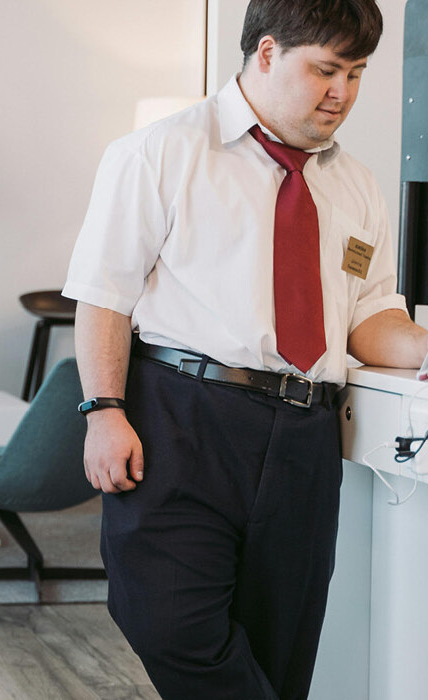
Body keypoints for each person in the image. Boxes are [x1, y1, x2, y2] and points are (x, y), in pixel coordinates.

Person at [63, 0, 428, 698]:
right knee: (171, 625)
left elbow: (370, 318)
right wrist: (102, 411)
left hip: (305, 438)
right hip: (182, 419)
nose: (341, 93)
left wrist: (423, 346)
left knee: (281, 651)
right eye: (325, 69)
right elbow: (103, 294)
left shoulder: (356, 185)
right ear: (265, 53)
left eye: (355, 74)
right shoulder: (160, 151)